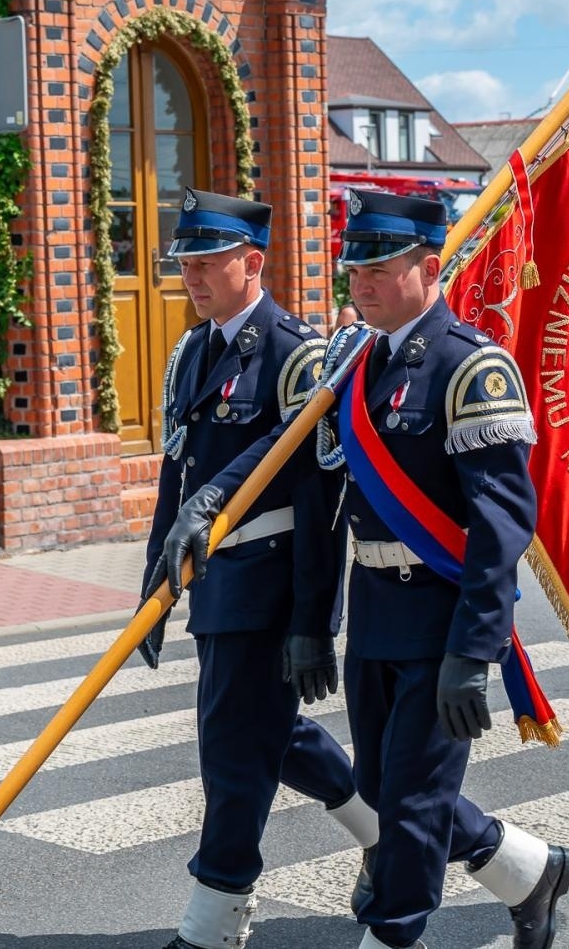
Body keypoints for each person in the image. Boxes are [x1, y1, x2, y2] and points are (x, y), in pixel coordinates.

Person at [156, 189, 569, 949]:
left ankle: (392, 935)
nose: (362, 283)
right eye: (355, 268)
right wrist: (301, 608)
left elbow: (500, 527)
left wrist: (475, 650)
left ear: (429, 265)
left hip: (443, 610)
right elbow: (292, 463)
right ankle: (530, 871)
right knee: (387, 790)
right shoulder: (353, 360)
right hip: (377, 606)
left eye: (380, 268)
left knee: (411, 807)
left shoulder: (471, 367)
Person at [138, 188, 377, 949]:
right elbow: (177, 478)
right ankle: (489, 855)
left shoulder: (295, 353)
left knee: (234, 751)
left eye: (208, 261)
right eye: (187, 262)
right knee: (274, 737)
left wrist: (314, 622)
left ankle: (215, 920)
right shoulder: (194, 351)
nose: (194, 276)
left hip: (270, 584)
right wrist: (154, 581)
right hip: (216, 584)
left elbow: (318, 500)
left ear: (252, 261)